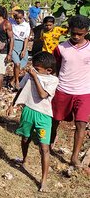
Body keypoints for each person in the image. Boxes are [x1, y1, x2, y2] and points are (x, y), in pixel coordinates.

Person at [6, 51, 58, 192]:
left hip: (44, 116)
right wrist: (12, 104)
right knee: (25, 138)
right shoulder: (30, 75)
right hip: (28, 110)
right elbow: (21, 89)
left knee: (44, 148)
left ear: (49, 70)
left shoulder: (53, 80)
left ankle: (44, 180)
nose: (33, 70)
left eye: (38, 69)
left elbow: (42, 95)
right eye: (33, 67)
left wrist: (35, 77)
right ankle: (24, 159)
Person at [50, 15, 90, 171]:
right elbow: (55, 67)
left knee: (81, 124)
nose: (76, 36)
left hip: (85, 92)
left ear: (86, 31)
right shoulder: (61, 48)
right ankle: (49, 142)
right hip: (63, 90)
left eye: (80, 34)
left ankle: (74, 157)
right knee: (55, 120)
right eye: (73, 33)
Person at [10, 9, 31, 90]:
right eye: (16, 18)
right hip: (13, 45)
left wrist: (24, 50)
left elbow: (26, 38)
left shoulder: (26, 25)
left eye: (20, 18)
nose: (18, 20)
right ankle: (17, 81)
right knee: (17, 63)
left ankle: (13, 79)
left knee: (22, 64)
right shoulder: (11, 22)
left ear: (23, 17)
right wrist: (14, 12)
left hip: (22, 44)